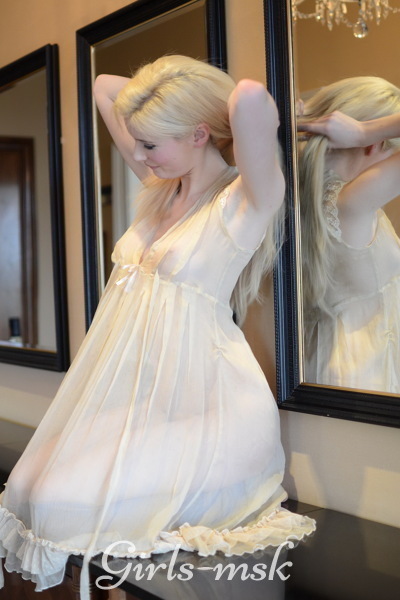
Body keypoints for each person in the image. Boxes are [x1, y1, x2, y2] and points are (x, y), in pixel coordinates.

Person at [0, 55, 315, 599]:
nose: (138, 153)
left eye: (149, 143)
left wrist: (199, 103)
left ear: (199, 133)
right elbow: (105, 86)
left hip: (210, 410)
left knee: (52, 504)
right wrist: (164, 100)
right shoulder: (161, 186)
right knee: (25, 485)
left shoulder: (246, 200)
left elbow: (249, 97)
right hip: (149, 403)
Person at [297, 76, 400, 393]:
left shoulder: (305, 197)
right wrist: (364, 131)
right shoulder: (352, 204)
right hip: (366, 377)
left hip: (330, 368)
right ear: (376, 145)